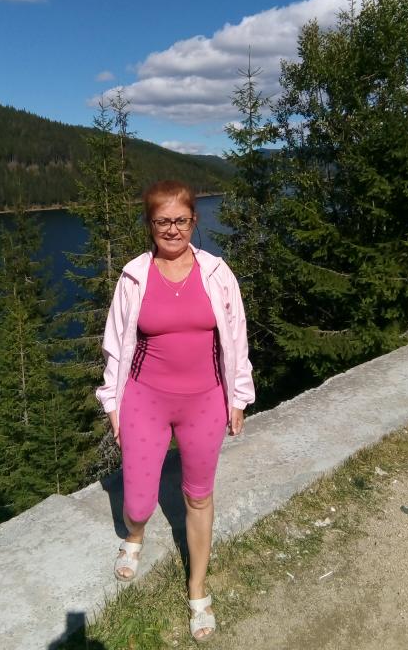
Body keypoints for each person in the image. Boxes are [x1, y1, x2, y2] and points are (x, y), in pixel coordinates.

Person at [96, 179, 255, 642]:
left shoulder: (217, 274)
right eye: (162, 221)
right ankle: (134, 536)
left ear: (193, 221)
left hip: (205, 400)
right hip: (144, 397)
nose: (172, 229)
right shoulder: (134, 276)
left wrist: (238, 398)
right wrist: (112, 402)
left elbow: (237, 338)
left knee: (199, 496)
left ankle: (198, 589)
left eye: (180, 220)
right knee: (138, 502)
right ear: (149, 224)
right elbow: (115, 343)